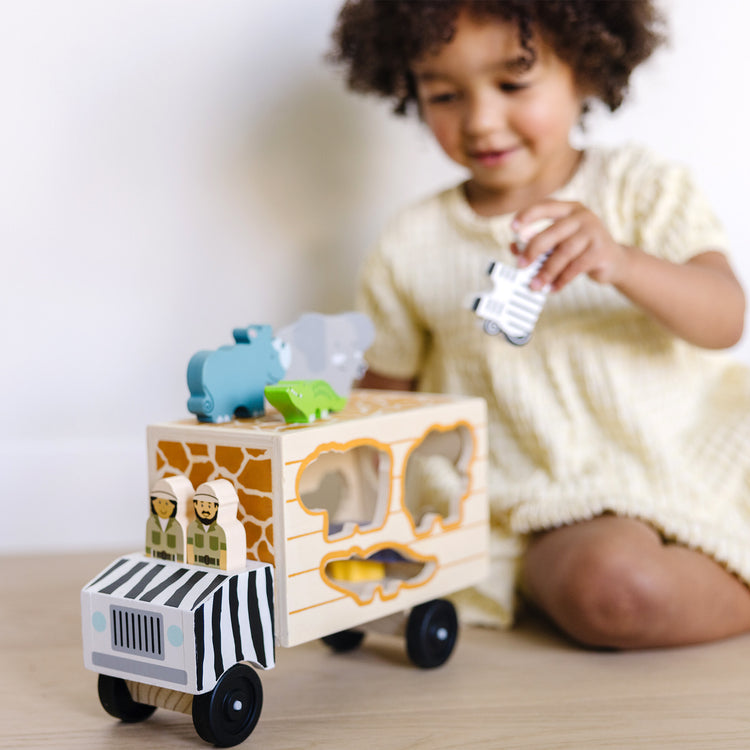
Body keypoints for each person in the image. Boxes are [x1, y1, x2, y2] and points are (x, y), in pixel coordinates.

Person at [329, 0, 750, 649]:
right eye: (444, 95)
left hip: (693, 454)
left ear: (586, 67)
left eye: (513, 84)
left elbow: (725, 318)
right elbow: (383, 401)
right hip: (552, 501)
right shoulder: (411, 243)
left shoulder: (640, 188)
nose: (481, 120)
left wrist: (621, 261)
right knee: (608, 591)